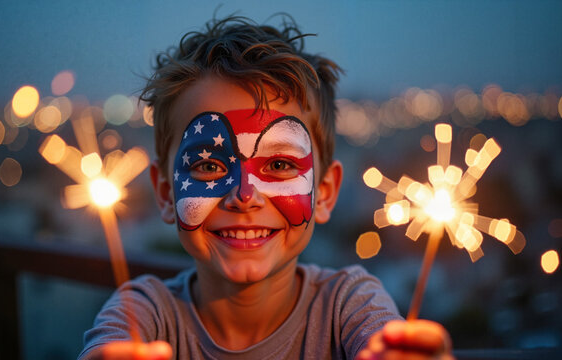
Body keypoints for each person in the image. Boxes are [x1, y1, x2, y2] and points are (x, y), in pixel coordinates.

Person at [78, 14, 453, 360]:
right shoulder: (141, 312)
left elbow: (382, 342)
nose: (244, 195)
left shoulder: (350, 304)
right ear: (165, 192)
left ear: (324, 192)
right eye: (208, 165)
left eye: (279, 165)